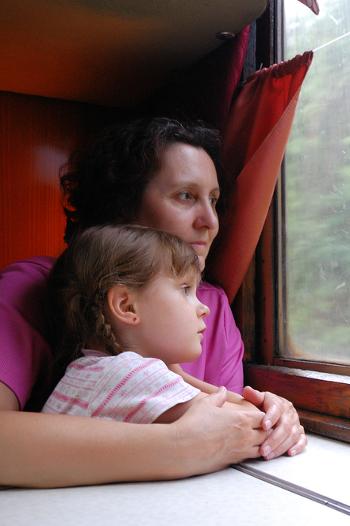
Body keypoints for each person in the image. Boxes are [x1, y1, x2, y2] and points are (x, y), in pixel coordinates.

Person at [0, 117, 306, 488]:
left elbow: (232, 423)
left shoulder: (213, 304)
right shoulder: (30, 287)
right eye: (185, 196)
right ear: (122, 209)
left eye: (213, 200)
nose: (210, 221)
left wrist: (277, 415)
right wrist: (179, 447)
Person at [42, 224, 260, 423]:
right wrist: (272, 406)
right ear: (127, 306)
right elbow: (248, 422)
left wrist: (179, 375)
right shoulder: (128, 373)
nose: (205, 309)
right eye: (185, 290)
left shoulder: (92, 371)